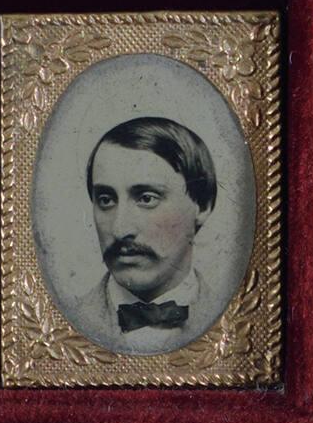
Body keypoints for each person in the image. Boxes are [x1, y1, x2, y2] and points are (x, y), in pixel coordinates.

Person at [70, 116, 217, 354]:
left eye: (147, 198)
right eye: (106, 200)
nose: (120, 230)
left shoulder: (236, 322)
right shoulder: (64, 325)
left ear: (202, 205)